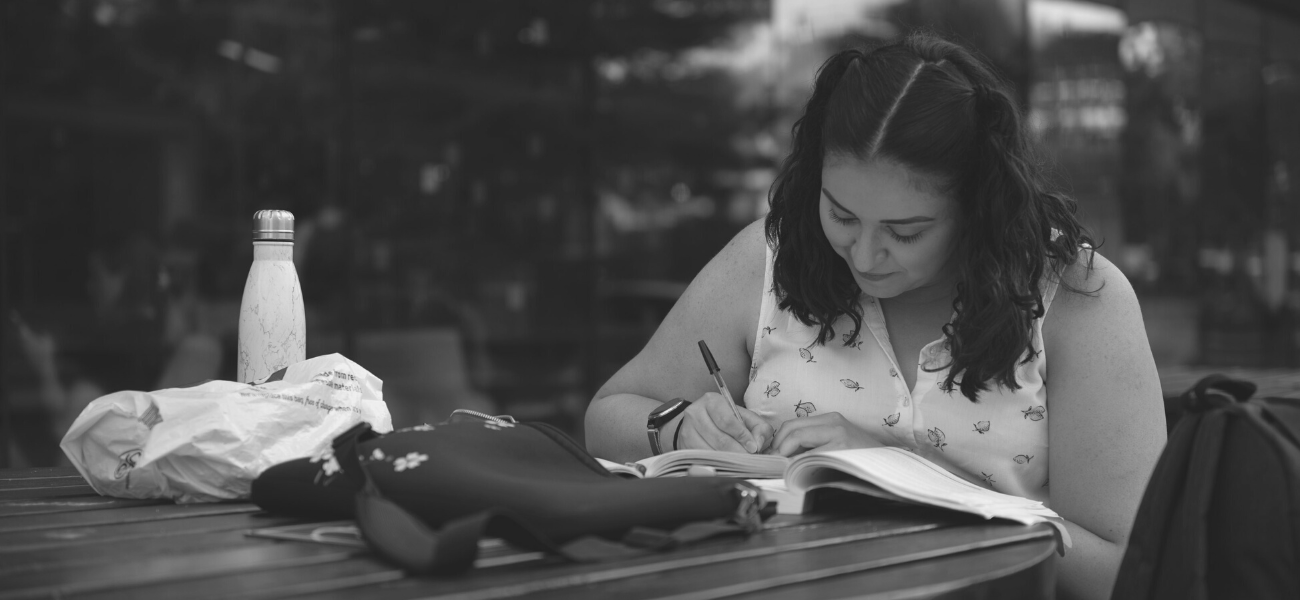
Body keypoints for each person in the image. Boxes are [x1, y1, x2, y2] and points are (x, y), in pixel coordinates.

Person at [585, 33, 1166, 600]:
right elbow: (607, 418)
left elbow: (1124, 573)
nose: (864, 255)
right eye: (840, 215)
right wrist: (682, 427)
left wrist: (896, 478)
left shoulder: (1076, 299)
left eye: (905, 232)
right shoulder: (770, 260)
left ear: (979, 207)